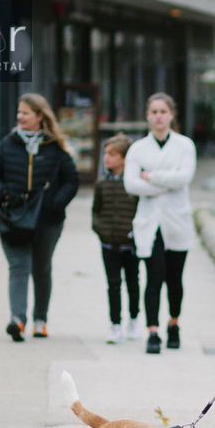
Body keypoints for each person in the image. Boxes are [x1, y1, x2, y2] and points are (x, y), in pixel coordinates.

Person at [0, 92, 79, 342]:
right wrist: (3, 194)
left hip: (47, 220)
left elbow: (72, 181)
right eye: (19, 112)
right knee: (18, 266)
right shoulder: (8, 144)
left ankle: (41, 319)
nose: (19, 117)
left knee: (41, 268)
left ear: (40, 116)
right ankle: (17, 320)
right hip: (12, 217)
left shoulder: (55, 147)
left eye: (25, 113)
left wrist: (56, 204)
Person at [123, 93, 197, 354]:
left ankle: (173, 324)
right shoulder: (138, 148)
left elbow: (184, 177)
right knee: (152, 278)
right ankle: (152, 331)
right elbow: (131, 184)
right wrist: (165, 184)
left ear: (171, 114)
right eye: (153, 111)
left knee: (174, 278)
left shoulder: (185, 145)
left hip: (177, 221)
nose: (158, 116)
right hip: (149, 223)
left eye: (163, 111)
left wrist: (151, 177)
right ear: (147, 115)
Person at [92, 133, 142, 344]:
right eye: (106, 154)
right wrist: (101, 230)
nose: (107, 158)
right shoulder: (102, 184)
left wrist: (134, 233)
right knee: (113, 284)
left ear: (124, 158)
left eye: (112, 154)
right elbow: (96, 211)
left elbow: (141, 211)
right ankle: (115, 325)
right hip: (108, 242)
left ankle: (133, 319)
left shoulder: (134, 184)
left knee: (133, 282)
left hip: (131, 244)